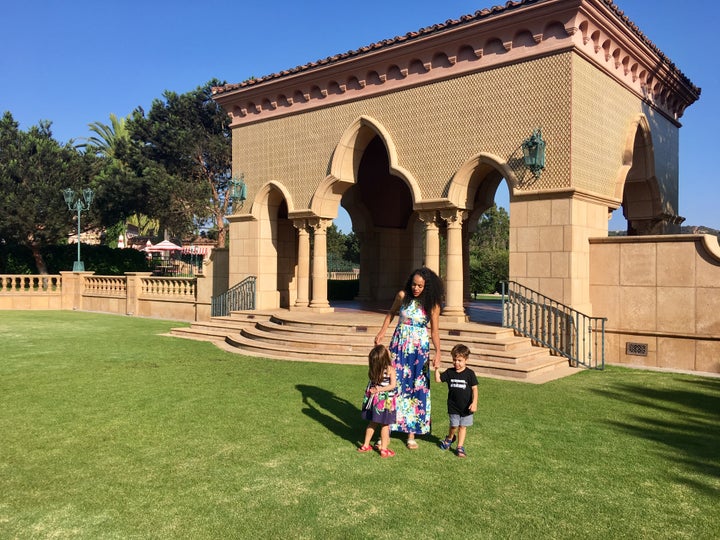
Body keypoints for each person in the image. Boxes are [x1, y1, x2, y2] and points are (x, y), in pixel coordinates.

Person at [374, 267, 443, 449]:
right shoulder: (402, 296)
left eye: (420, 286)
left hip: (419, 351)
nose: (416, 288)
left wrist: (439, 352)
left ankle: (411, 433)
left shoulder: (432, 304)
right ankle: (386, 430)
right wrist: (382, 331)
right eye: (414, 284)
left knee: (415, 387)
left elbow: (435, 332)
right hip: (398, 346)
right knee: (393, 384)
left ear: (426, 287)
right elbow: (390, 314)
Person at [434, 343, 478, 458]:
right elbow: (438, 380)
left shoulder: (470, 374)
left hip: (466, 406)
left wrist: (474, 403)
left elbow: (475, 389)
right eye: (454, 360)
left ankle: (459, 447)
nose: (456, 363)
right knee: (454, 425)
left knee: (462, 426)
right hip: (453, 405)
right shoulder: (449, 372)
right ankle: (449, 438)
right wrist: (436, 369)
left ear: (466, 360)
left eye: (459, 360)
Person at [357, 344, 398, 458]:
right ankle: (384, 449)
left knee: (373, 422)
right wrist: (381, 389)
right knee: (385, 425)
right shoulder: (391, 370)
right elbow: (392, 385)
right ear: (385, 358)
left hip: (375, 400)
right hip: (386, 401)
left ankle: (365, 445)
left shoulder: (374, 370)